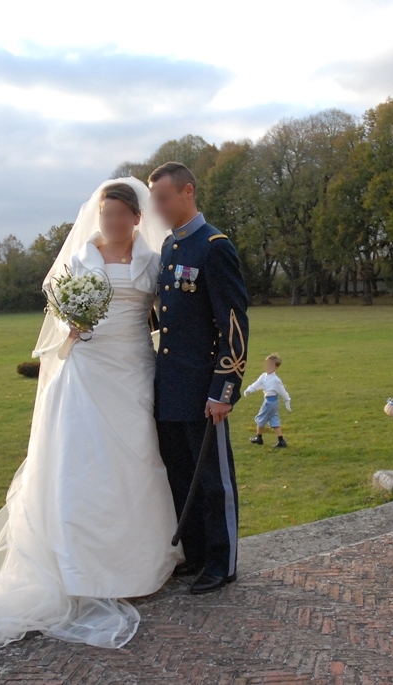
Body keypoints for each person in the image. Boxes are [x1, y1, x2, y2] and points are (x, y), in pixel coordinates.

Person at [0, 179, 182, 650]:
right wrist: (71, 323)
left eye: (121, 214)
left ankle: (134, 564)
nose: (113, 222)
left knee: (136, 459)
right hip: (85, 369)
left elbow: (165, 313)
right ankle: (78, 567)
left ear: (137, 218)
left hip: (132, 370)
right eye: (106, 215)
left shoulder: (153, 260)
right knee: (80, 463)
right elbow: (57, 305)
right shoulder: (81, 257)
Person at [149, 162, 250, 596]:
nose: (156, 206)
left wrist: (223, 389)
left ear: (187, 192)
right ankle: (194, 553)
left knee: (213, 479)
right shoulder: (171, 247)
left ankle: (221, 562)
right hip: (169, 385)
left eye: (163, 198)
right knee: (180, 474)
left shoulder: (214, 247)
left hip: (204, 388)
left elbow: (233, 325)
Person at [244, 353, 292, 448]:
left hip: (270, 402)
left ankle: (259, 438)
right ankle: (281, 440)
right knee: (274, 419)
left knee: (260, 418)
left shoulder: (275, 380)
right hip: (270, 402)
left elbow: (282, 391)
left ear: (276, 367)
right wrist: (249, 389)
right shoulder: (264, 376)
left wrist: (287, 400)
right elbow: (257, 384)